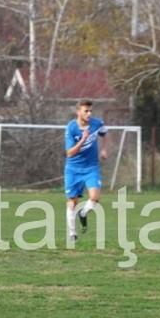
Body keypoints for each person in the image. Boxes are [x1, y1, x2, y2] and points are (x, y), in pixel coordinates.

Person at [65, 99, 109, 241]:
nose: (89, 114)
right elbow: (69, 153)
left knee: (95, 198)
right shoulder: (71, 128)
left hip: (91, 167)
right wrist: (83, 140)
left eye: (91, 111)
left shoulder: (97, 124)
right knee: (72, 202)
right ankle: (72, 234)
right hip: (73, 169)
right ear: (78, 112)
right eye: (86, 111)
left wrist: (103, 149)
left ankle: (83, 213)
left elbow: (104, 134)